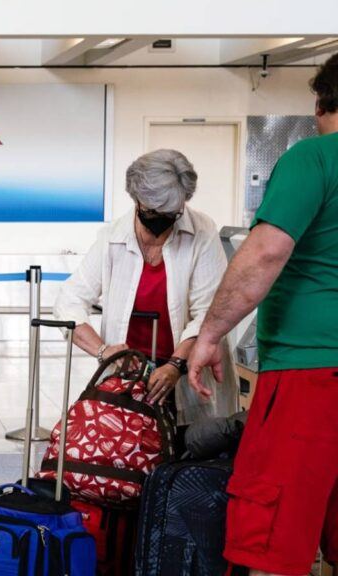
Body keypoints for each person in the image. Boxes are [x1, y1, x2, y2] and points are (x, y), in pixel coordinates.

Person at [189, 53, 338, 576]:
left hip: (312, 375)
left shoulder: (313, 158)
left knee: (273, 540)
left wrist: (210, 334)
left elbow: (265, 253)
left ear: (320, 104)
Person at [55, 149, 239, 435]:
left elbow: (208, 311)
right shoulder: (113, 237)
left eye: (171, 214)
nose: (161, 221)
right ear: (137, 200)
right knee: (127, 452)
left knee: (189, 449)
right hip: (128, 376)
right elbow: (69, 301)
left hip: (186, 369)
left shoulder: (202, 232)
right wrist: (104, 351)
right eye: (153, 212)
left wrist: (176, 365)